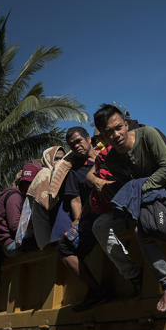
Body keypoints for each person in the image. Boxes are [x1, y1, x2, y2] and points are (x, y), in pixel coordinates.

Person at [89, 104, 166, 312]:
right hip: (138, 203)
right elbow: (124, 184)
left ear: (126, 124)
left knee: (143, 228)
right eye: (108, 132)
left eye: (118, 127)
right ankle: (133, 275)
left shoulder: (148, 135)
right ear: (103, 136)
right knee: (100, 226)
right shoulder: (111, 159)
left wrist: (140, 189)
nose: (116, 135)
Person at [60, 127, 104, 308]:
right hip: (92, 217)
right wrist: (77, 220)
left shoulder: (107, 156)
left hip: (116, 209)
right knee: (64, 247)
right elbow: (75, 199)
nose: (76, 146)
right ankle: (96, 290)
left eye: (79, 141)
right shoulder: (74, 173)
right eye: (72, 144)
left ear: (88, 139)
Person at [0, 161, 41, 256]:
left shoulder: (20, 196)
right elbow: (15, 227)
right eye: (26, 183)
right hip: (11, 244)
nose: (29, 186)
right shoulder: (15, 197)